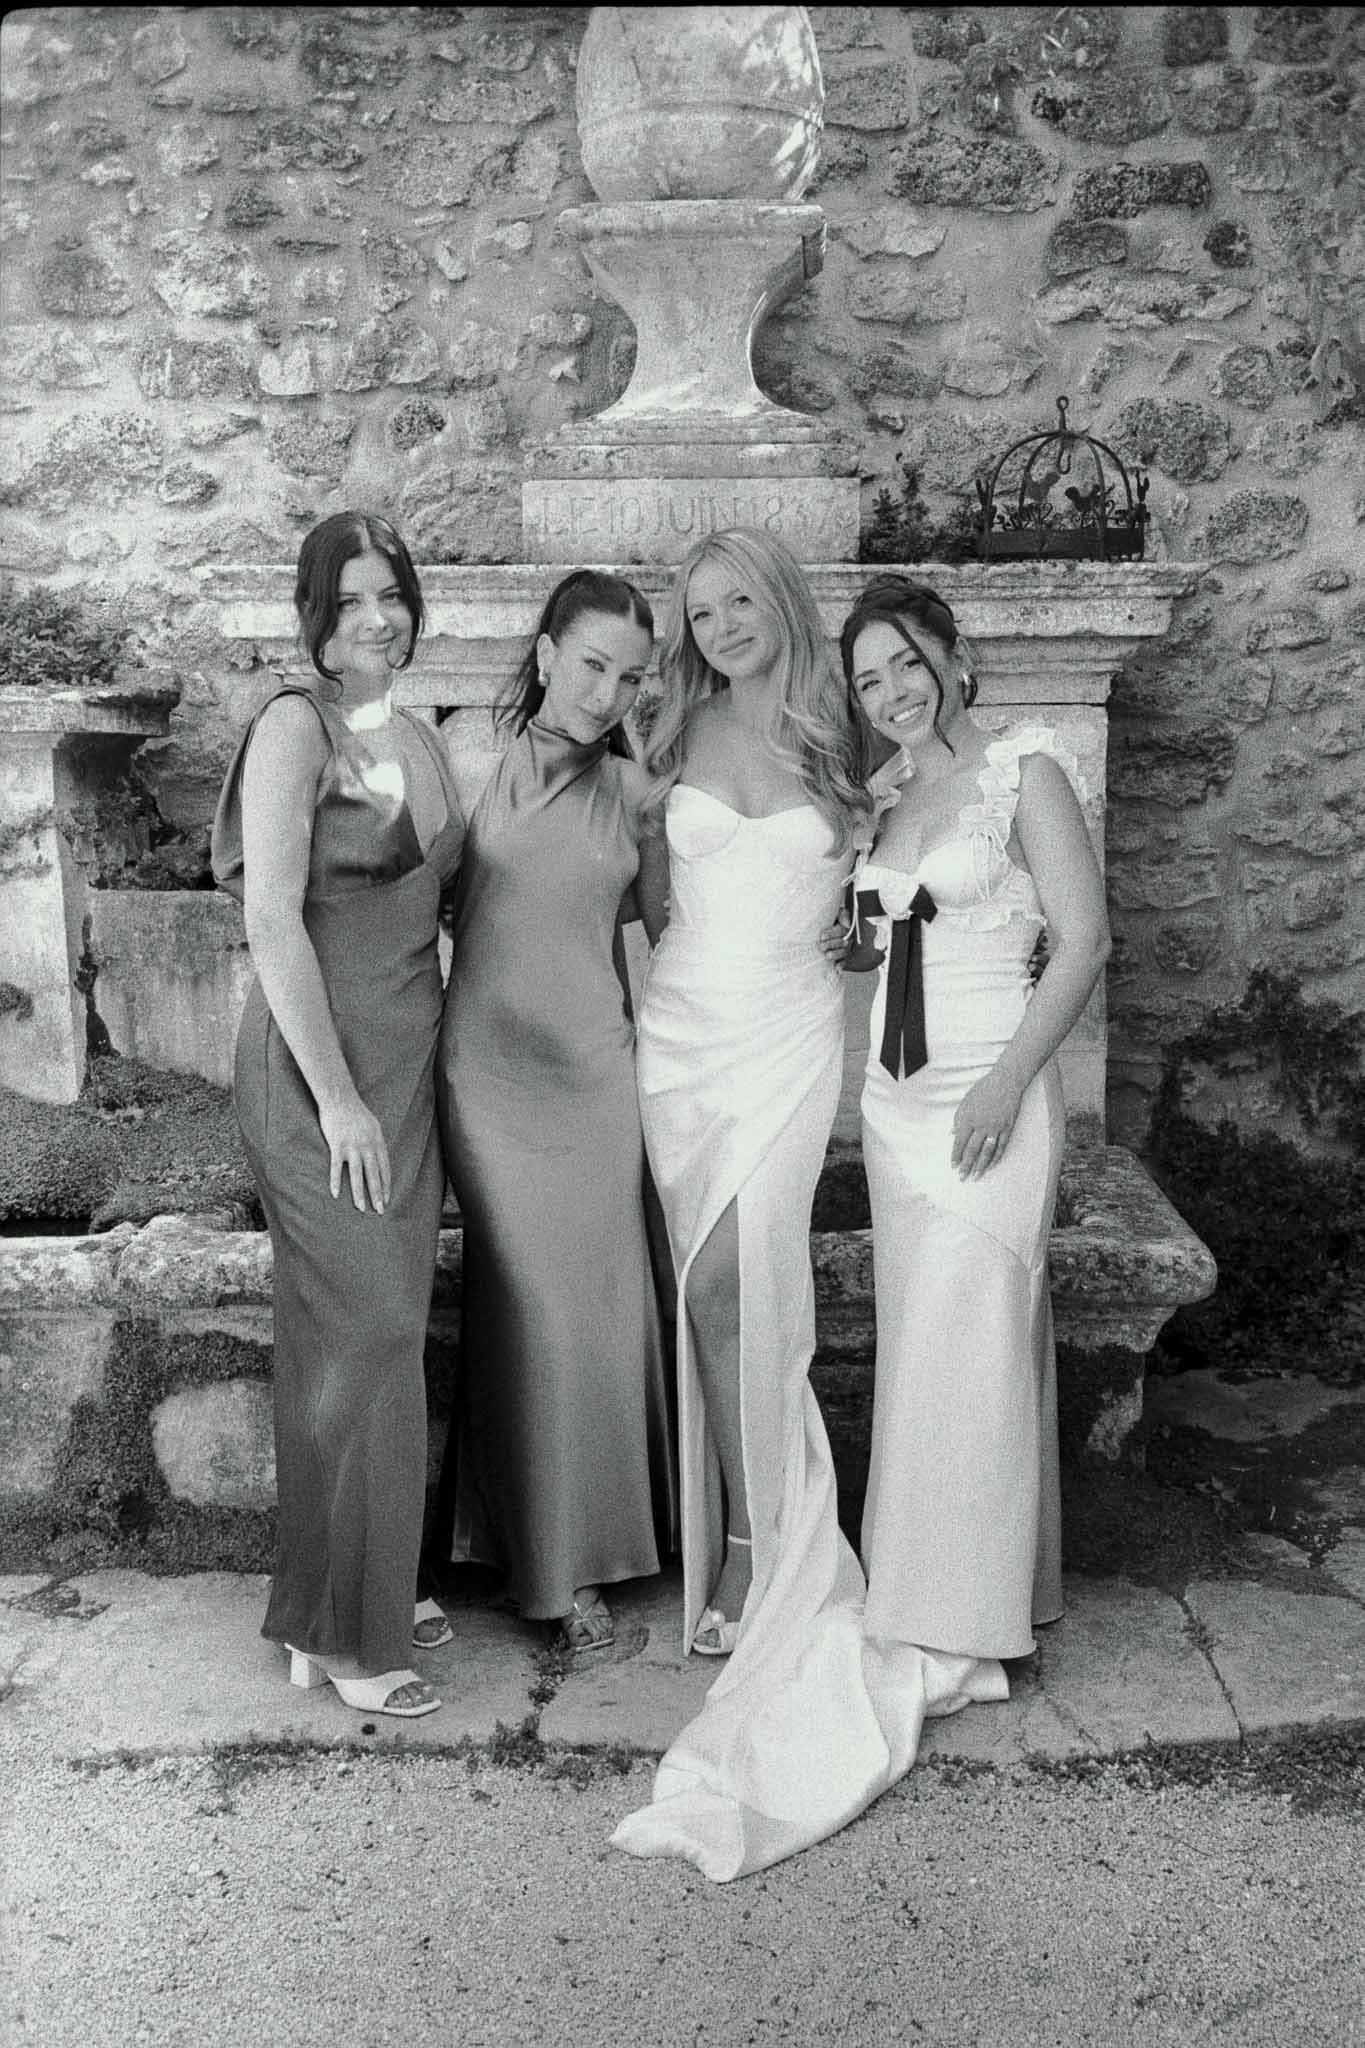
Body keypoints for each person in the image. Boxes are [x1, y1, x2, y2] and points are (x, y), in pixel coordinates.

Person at [612, 527, 908, 1882]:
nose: (720, 623)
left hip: (790, 1039)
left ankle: (762, 1553)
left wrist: (871, 935)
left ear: (778, 605)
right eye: (700, 607)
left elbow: (902, 879)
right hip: (681, 1035)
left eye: (737, 601)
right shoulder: (669, 721)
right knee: (705, 1285)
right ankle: (729, 1546)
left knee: (748, 1283)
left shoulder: (844, 736)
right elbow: (648, 894)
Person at [211, 511, 465, 1719]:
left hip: (408, 1069)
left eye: (395, 592)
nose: (380, 615)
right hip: (325, 1075)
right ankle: (348, 1629)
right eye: (354, 596)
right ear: (314, 612)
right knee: (363, 1326)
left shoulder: (414, 730)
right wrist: (342, 1101)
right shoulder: (290, 726)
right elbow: (272, 921)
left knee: (379, 1327)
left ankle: (345, 1592)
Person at [840, 574, 1110, 1663]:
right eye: (869, 678)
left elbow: (1084, 941)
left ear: (953, 655)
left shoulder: (1025, 768)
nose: (893, 690)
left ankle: (968, 1617)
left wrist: (1007, 1082)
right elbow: (873, 949)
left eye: (907, 660)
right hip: (896, 1103)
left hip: (989, 1090)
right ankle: (959, 1585)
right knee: (926, 1342)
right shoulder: (887, 793)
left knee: (980, 1330)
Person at [430, 570, 676, 1652]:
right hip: (487, 1075)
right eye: (590, 664)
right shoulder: (466, 765)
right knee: (529, 1301)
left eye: (628, 677)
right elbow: (397, 911)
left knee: (608, 1305)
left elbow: (682, 934)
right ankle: (548, 1574)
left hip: (596, 1073)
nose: (606, 691)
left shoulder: (640, 795)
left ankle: (615, 1539)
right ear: (543, 653)